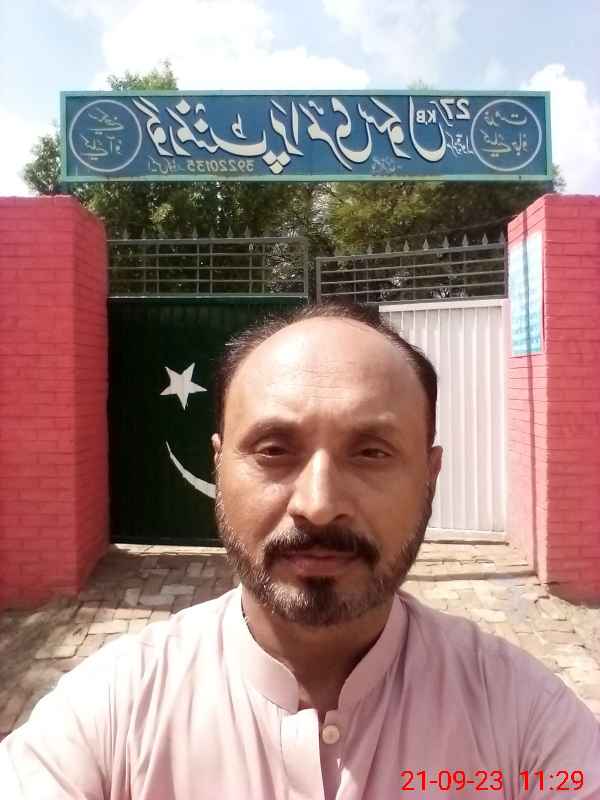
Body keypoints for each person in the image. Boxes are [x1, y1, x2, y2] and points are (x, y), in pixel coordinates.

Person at [1, 301, 599, 799]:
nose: (318, 504)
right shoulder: (113, 711)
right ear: (218, 467)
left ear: (430, 476)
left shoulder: (523, 720)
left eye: (370, 452)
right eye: (274, 450)